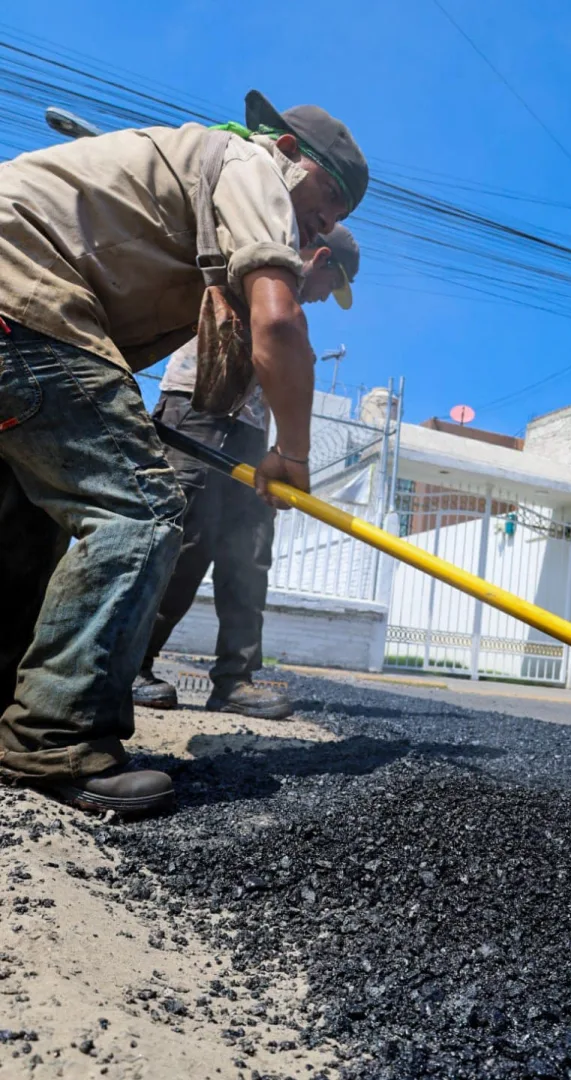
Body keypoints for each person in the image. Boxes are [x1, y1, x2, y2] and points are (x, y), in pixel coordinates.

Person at [0, 90, 368, 817]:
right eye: (328, 202)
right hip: (26, 302)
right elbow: (278, 322)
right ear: (290, 153)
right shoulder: (253, 165)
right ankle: (53, 739)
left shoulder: (198, 172)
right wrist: (294, 456)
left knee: (29, 517)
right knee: (137, 510)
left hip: (20, 310)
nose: (322, 224)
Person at [134, 224, 360, 719]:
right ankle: (132, 665)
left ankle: (235, 680)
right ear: (320, 259)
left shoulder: (288, 303)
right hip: (197, 410)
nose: (324, 299)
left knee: (249, 555)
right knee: (183, 542)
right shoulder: (254, 265)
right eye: (331, 285)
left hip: (251, 432)